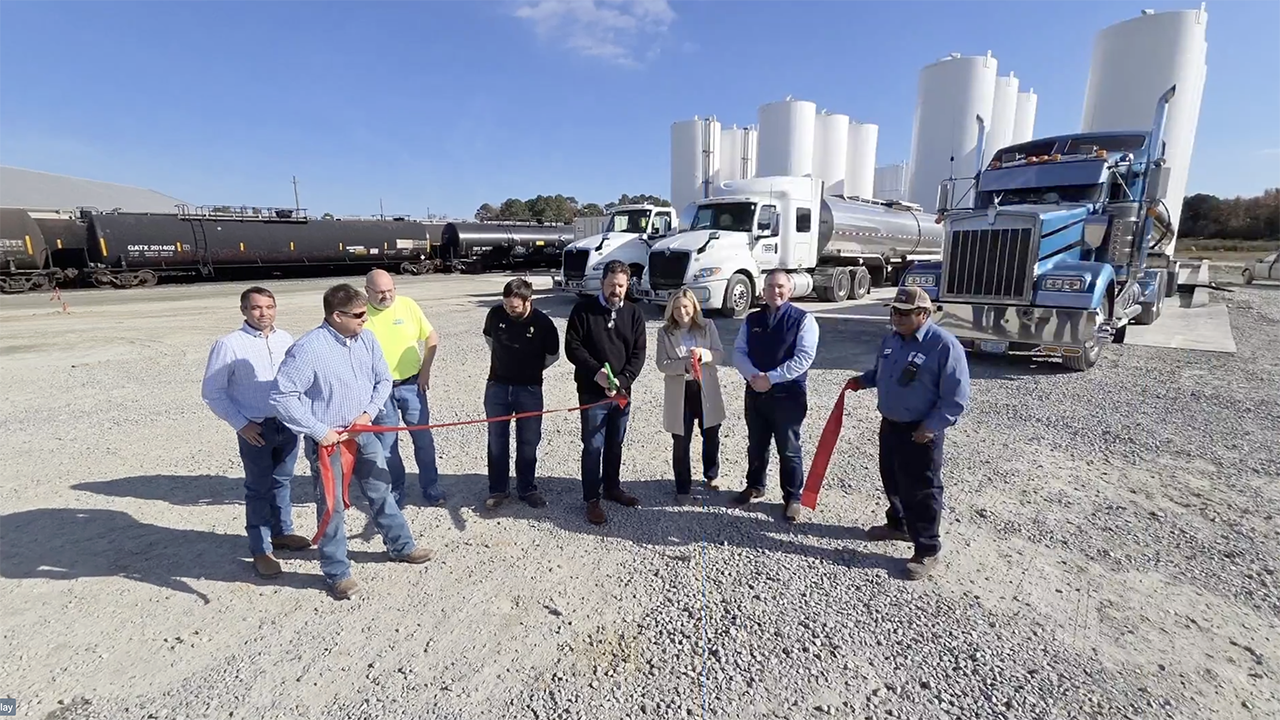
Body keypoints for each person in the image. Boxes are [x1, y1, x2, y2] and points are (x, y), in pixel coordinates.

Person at [270, 283, 434, 600]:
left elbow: (383, 379)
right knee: (332, 507)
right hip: (330, 442)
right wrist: (318, 430)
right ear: (336, 316)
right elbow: (281, 396)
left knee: (381, 490)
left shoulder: (366, 339)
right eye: (359, 315)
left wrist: (367, 414)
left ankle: (401, 546)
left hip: (363, 433)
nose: (365, 319)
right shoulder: (308, 349)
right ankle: (337, 572)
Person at [848, 285, 970, 580]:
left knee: (922, 490)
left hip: (921, 431)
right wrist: (862, 381)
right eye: (894, 311)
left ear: (924, 314)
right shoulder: (891, 340)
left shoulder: (943, 346)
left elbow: (955, 397)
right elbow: (881, 374)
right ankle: (899, 525)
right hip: (891, 425)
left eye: (905, 313)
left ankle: (927, 549)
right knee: (892, 478)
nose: (897, 317)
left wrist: (931, 427)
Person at [201, 286, 312, 578]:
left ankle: (282, 532)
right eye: (256, 307)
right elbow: (213, 392)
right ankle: (261, 549)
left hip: (287, 424)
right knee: (258, 488)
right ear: (244, 310)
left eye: (269, 307)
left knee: (282, 482)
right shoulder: (229, 345)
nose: (264, 313)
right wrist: (241, 424)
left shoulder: (285, 339)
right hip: (255, 429)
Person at [732, 269, 819, 522]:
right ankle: (755, 486)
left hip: (788, 394)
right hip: (755, 392)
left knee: (789, 448)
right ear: (763, 290)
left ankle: (793, 497)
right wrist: (754, 377)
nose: (775, 291)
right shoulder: (752, 319)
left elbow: (804, 358)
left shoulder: (804, 320)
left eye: (780, 286)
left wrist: (770, 378)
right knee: (756, 444)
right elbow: (739, 352)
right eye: (770, 286)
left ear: (790, 290)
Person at [563, 260, 646, 525]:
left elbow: (638, 354)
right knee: (593, 446)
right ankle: (592, 499)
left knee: (615, 443)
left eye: (620, 285)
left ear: (627, 285)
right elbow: (573, 347)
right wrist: (597, 373)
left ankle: (612, 487)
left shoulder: (634, 314)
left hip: (621, 393)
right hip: (592, 392)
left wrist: (622, 380)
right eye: (611, 284)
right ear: (602, 282)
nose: (615, 290)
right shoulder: (583, 310)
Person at [363, 269, 443, 507]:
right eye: (380, 292)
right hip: (379, 391)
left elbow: (431, 337)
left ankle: (431, 486)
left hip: (411, 384)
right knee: (387, 445)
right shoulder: (359, 313)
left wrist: (426, 370)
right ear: (367, 291)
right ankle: (396, 489)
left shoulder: (408, 305)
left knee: (423, 439)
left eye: (390, 290)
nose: (386, 296)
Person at [481, 277, 560, 509]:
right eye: (506, 305)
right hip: (497, 387)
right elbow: (489, 338)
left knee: (528, 441)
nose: (508, 310)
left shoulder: (543, 324)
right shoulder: (495, 314)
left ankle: (526, 488)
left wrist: (529, 369)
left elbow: (552, 356)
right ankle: (498, 489)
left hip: (529, 389)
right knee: (497, 440)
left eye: (514, 307)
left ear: (528, 301)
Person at [654, 288, 726, 503]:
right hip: (680, 391)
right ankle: (683, 487)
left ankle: (711, 474)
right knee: (681, 441)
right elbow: (662, 364)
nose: (681, 311)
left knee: (711, 434)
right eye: (676, 307)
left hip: (705, 388)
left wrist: (705, 354)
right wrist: (684, 365)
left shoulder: (708, 326)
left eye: (685, 306)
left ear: (694, 307)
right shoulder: (664, 332)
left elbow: (720, 355)